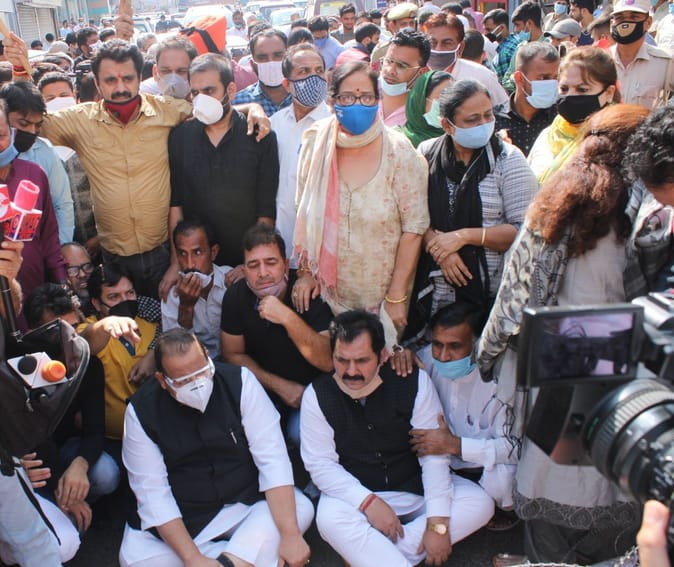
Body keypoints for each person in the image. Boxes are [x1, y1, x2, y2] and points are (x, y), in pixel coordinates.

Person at [478, 104, 650, 564]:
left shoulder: (552, 202)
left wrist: (497, 355)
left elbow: (513, 294)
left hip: (555, 356)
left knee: (550, 472)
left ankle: (547, 560)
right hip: (619, 360)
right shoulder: (641, 211)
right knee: (608, 479)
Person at [3, 34, 270, 301]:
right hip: (113, 259)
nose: (121, 87)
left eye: (128, 79)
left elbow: (214, 110)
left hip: (163, 254)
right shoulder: (78, 121)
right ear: (97, 83)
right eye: (110, 80)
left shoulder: (168, 111)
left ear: (139, 78)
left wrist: (253, 108)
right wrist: (19, 72)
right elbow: (28, 120)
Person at [300, 310, 494, 567]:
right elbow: (320, 465)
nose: (351, 371)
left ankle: (369, 555)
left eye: (361, 360)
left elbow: (433, 455)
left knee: (479, 503)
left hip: (414, 489)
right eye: (342, 360)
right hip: (358, 494)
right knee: (329, 519)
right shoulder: (317, 395)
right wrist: (368, 502)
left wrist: (437, 525)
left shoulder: (413, 381)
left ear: (382, 356)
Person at [120, 328, 313, 567]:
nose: (197, 384)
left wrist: (290, 534)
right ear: (162, 380)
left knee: (300, 510)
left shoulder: (240, 381)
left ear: (208, 356)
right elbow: (153, 493)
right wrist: (192, 558)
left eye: (201, 372)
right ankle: (244, 557)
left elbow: (272, 458)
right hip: (185, 516)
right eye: (184, 381)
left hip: (244, 503)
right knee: (135, 559)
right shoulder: (141, 411)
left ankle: (227, 561)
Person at [293, 61, 429, 348]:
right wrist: (305, 273)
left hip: (381, 298)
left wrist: (396, 297)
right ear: (332, 102)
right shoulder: (316, 143)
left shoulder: (399, 151)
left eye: (366, 97)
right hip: (327, 294)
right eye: (347, 97)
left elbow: (414, 229)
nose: (358, 104)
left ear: (377, 100)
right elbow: (303, 209)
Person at [409, 79, 536, 341]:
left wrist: (464, 237)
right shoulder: (427, 154)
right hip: (434, 292)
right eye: (472, 119)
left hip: (489, 295)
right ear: (447, 125)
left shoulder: (508, 160)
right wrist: (441, 250)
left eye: (488, 115)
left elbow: (523, 231)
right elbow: (413, 216)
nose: (484, 124)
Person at [404, 302, 520, 528]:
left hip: (484, 465)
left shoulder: (503, 378)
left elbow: (515, 448)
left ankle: (500, 509)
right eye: (438, 344)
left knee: (502, 481)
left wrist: (456, 445)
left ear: (478, 343)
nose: (443, 356)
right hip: (440, 460)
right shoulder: (424, 360)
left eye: (454, 346)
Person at [23, 285, 120, 541]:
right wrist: (60, 485)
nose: (69, 340)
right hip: (32, 463)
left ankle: (78, 505)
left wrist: (80, 464)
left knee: (106, 474)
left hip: (67, 449)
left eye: (74, 329)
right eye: (59, 332)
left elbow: (95, 428)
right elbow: (34, 441)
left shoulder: (88, 364)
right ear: (33, 333)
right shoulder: (24, 368)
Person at [220, 224, 333, 445]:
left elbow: (328, 361)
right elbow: (231, 354)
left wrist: (286, 317)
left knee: (299, 434)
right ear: (244, 269)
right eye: (253, 265)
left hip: (310, 390)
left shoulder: (308, 291)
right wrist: (280, 386)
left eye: (271, 262)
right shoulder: (236, 296)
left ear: (285, 264)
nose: (263, 273)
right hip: (264, 388)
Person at [168, 53, 279, 277]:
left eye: (209, 91)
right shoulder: (180, 137)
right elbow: (176, 206)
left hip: (243, 263)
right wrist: (175, 263)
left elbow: (266, 211)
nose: (202, 100)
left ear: (230, 90)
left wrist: (251, 264)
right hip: (197, 265)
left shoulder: (258, 136)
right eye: (195, 93)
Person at [79, 263, 159, 463]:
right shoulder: (90, 328)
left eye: (129, 293)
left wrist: (153, 354)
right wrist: (106, 325)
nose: (124, 301)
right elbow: (84, 345)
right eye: (114, 297)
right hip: (113, 441)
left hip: (156, 434)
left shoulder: (152, 324)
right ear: (97, 303)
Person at [0, 98, 66, 302]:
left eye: (0, 135)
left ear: (12, 133)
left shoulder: (33, 174)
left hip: (35, 296)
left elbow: (49, 237)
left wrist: (61, 283)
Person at [271, 43, 331, 258]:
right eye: (304, 71)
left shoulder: (334, 126)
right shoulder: (275, 124)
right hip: (280, 245)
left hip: (319, 248)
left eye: (319, 71)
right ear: (287, 84)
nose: (314, 78)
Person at [528, 47, 619, 183]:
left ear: (609, 93)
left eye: (582, 89)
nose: (570, 95)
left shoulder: (617, 142)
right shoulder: (548, 135)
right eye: (564, 89)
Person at [0, 80, 74, 244]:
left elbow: (62, 205)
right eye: (24, 124)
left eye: (38, 125)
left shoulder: (44, 152)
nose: (31, 132)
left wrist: (61, 247)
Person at [162, 218, 230, 358]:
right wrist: (186, 307)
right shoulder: (172, 294)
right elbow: (176, 351)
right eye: (182, 254)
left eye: (197, 252)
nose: (190, 264)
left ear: (213, 252)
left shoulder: (230, 281)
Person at [425, 13, 509, 114]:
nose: (438, 49)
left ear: (460, 48)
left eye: (447, 43)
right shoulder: (416, 75)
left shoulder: (482, 76)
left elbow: (505, 110)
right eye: (432, 42)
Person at [495, 42, 560, 157]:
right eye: (544, 78)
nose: (551, 83)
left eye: (555, 77)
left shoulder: (559, 118)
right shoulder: (495, 120)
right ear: (519, 78)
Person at [609, 0, 673, 109]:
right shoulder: (600, 61)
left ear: (648, 22)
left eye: (634, 17)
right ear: (612, 24)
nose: (626, 23)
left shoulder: (666, 63)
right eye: (620, 18)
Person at [232, 29, 291, 116]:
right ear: (252, 64)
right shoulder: (238, 102)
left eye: (278, 55)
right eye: (262, 58)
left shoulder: (304, 97)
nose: (271, 62)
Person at [379, 30, 430, 127]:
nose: (391, 71)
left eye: (402, 66)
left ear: (421, 72)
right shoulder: (361, 93)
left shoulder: (424, 114)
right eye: (389, 61)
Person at [401, 70, 453, 148]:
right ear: (420, 101)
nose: (449, 106)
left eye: (453, 100)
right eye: (442, 99)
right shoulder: (394, 141)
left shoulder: (458, 144)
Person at [483, 9, 521, 84]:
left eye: (489, 29)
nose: (485, 33)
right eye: (485, 29)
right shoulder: (517, 40)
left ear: (502, 28)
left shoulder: (503, 53)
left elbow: (504, 86)